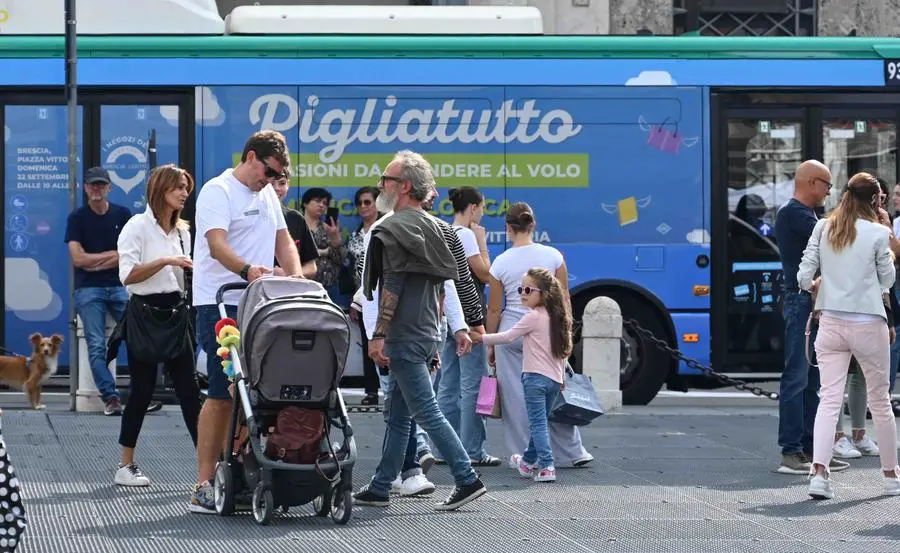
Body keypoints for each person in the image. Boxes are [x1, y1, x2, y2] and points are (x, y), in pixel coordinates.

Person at [351, 150, 487, 511]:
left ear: (404, 186)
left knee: (426, 411)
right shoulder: (441, 229)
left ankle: (467, 478)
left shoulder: (388, 228)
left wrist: (378, 334)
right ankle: (381, 486)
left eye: (386, 180)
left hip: (404, 334)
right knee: (398, 414)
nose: (381, 186)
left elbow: (391, 284)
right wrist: (467, 326)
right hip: (427, 332)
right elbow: (456, 285)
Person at [189, 130, 304, 513]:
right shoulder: (217, 191)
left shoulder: (266, 193)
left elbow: (284, 241)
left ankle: (235, 471)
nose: (270, 181)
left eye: (276, 176)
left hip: (261, 304)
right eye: (268, 172)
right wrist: (247, 269)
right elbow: (217, 245)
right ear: (251, 156)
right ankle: (203, 483)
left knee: (256, 394)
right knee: (224, 393)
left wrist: (296, 279)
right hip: (220, 304)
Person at [797, 172, 900, 499]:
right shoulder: (877, 233)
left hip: (830, 323)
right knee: (880, 401)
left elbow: (803, 274)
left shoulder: (824, 226)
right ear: (874, 201)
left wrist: (815, 285)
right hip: (868, 323)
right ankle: (890, 476)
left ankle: (819, 474)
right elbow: (888, 279)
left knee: (828, 400)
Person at [113, 164, 202, 487]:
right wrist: (168, 260)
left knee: (190, 392)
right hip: (146, 314)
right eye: (178, 187)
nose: (184, 193)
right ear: (160, 189)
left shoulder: (184, 231)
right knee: (141, 390)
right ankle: (126, 464)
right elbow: (128, 275)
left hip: (176, 314)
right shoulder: (137, 226)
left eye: (186, 188)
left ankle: (207, 468)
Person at [485, 202, 593, 468]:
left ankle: (523, 454)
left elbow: (495, 307)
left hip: (513, 333)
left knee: (516, 398)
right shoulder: (553, 256)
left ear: (508, 228)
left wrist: (490, 342)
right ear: (533, 225)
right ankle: (573, 451)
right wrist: (567, 330)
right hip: (549, 332)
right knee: (554, 393)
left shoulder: (500, 262)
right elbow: (564, 298)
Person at [65, 166, 161, 416]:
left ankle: (140, 396)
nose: (96, 189)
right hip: (89, 289)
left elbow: (130, 256)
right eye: (92, 185)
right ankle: (111, 398)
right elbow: (77, 259)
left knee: (139, 339)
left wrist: (95, 260)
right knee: (97, 345)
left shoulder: (123, 215)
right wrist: (113, 257)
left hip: (120, 285)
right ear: (85, 188)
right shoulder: (76, 218)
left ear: (109, 187)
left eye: (100, 185)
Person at [773, 160, 848, 475]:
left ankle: (808, 449)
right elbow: (835, 239)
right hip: (802, 301)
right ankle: (791, 451)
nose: (828, 193)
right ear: (813, 182)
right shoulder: (796, 215)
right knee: (798, 376)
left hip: (810, 303)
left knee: (812, 378)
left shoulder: (805, 216)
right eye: (828, 186)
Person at [473, 267, 572, 482]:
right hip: (554, 380)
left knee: (536, 424)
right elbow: (564, 352)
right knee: (541, 422)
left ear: (544, 294)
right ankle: (527, 463)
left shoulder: (533, 317)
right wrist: (562, 378)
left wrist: (482, 338)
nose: (522, 294)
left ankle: (546, 466)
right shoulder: (559, 317)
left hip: (534, 378)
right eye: (520, 289)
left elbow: (508, 337)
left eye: (528, 289)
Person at [435, 186, 499, 466]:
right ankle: (473, 449)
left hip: (448, 318)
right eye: (482, 208)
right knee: (475, 382)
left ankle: (443, 450)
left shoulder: (443, 232)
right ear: (473, 208)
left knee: (447, 384)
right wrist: (482, 241)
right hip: (470, 319)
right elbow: (485, 275)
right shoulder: (467, 236)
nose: (483, 214)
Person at [347, 186, 383, 405]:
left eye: (367, 202)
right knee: (368, 341)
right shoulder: (356, 234)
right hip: (361, 298)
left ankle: (390, 387)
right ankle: (371, 389)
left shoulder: (385, 229)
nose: (363, 207)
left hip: (383, 295)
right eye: (359, 203)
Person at [301, 187, 348, 306]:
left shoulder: (330, 228)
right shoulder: (296, 226)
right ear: (306, 203)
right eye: (317, 201)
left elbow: (341, 259)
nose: (321, 205)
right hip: (302, 285)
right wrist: (324, 251)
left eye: (325, 203)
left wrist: (335, 240)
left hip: (329, 287)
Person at [270, 168, 318, 279]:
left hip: (289, 291)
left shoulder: (295, 218)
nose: (276, 188)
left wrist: (289, 273)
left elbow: (311, 267)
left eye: (282, 183)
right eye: (271, 183)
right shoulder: (249, 217)